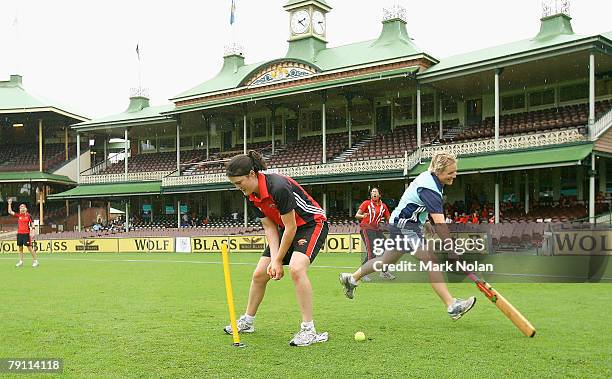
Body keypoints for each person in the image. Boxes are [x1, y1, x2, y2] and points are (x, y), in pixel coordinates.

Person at [339, 152, 476, 321]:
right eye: (451, 172)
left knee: (386, 260)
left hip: (403, 223)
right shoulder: (430, 188)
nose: (455, 175)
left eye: (455, 171)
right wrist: (451, 249)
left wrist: (423, 221)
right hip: (405, 226)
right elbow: (440, 224)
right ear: (439, 171)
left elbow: (414, 202)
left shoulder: (430, 178)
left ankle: (351, 278)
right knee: (431, 259)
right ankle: (452, 305)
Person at [223, 151, 329, 347]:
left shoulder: (278, 187)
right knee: (259, 274)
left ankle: (309, 330)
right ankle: (248, 321)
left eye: (239, 182)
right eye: (235, 184)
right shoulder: (250, 194)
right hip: (284, 228)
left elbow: (292, 227)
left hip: (310, 224)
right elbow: (270, 227)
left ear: (252, 174)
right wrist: (274, 260)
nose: (238, 188)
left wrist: (279, 260)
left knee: (297, 269)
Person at [355, 187, 394, 281]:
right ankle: (362, 274)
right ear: (371, 195)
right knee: (371, 252)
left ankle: (384, 272)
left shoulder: (383, 206)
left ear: (380, 195)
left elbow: (389, 218)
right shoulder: (366, 203)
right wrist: (362, 215)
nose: (374, 193)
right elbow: (357, 215)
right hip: (366, 229)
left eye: (376, 192)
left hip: (376, 230)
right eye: (372, 192)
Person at [8, 199, 39, 268]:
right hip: (19, 234)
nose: (21, 208)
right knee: (20, 248)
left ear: (26, 208)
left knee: (30, 248)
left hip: (26, 234)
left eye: (23, 207)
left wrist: (33, 232)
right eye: (20, 207)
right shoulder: (19, 215)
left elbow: (32, 224)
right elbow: (10, 211)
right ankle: (21, 262)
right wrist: (9, 203)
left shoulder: (29, 216)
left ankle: (35, 261)